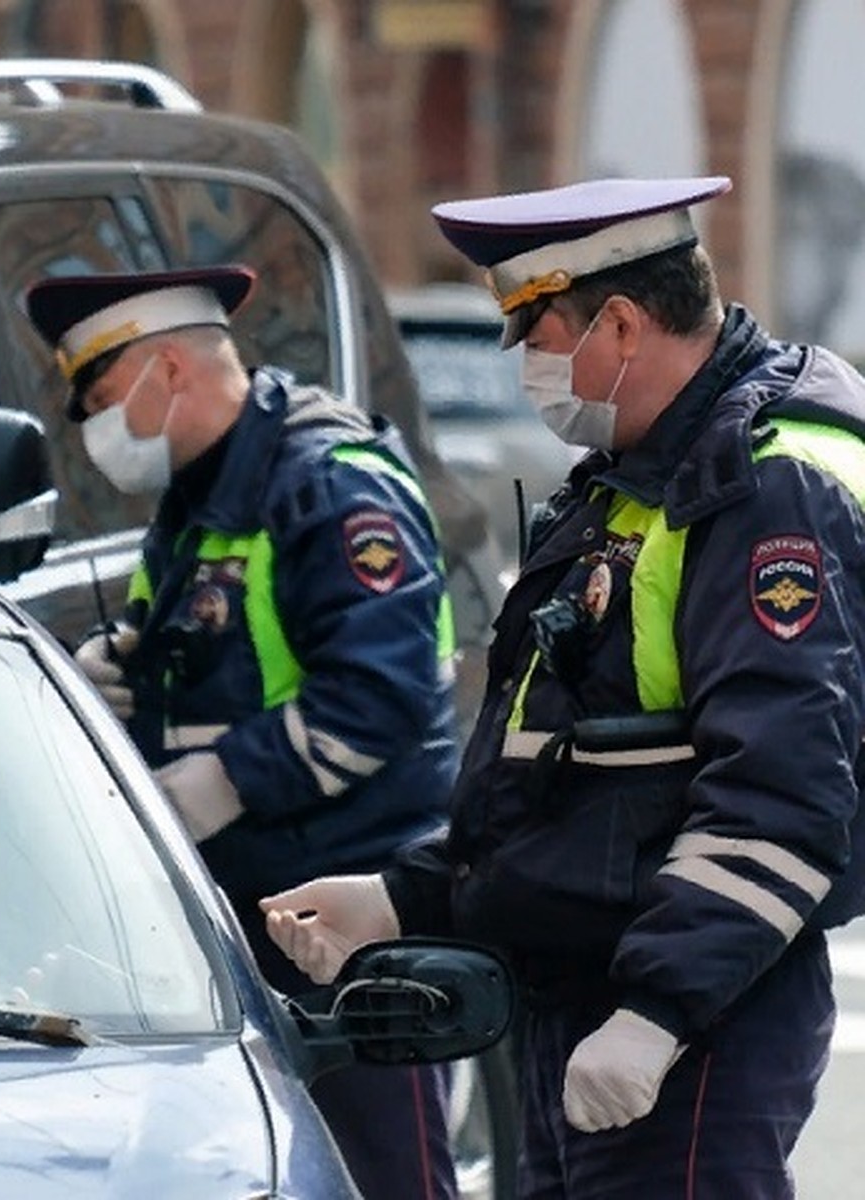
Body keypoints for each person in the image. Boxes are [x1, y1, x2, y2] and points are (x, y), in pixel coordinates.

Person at [260, 175, 865, 1198]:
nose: (528, 369)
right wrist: (405, 897)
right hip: (586, 993)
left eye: (537, 334)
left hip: (690, 1016)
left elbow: (783, 792)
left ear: (622, 323)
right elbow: (562, 761)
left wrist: (656, 1015)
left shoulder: (761, 487)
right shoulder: (634, 478)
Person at [26, 264, 461, 1200]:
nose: (100, 430)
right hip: (245, 906)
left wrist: (212, 786)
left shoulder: (334, 488)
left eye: (103, 398)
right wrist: (111, 673)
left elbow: (375, 702)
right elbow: (189, 648)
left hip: (350, 919)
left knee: (384, 1175)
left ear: (169, 370)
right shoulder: (199, 499)